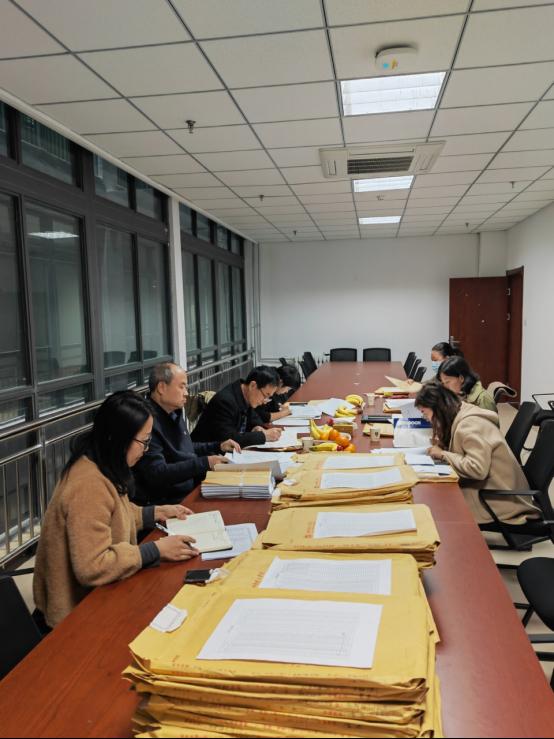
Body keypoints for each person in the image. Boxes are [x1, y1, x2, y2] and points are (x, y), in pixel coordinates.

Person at [33, 391, 200, 629]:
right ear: (119, 438)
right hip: (75, 614)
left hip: (99, 596)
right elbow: (93, 566)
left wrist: (153, 513)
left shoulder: (101, 463)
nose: (145, 450)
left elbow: (111, 513)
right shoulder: (88, 485)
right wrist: (155, 550)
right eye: (144, 441)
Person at [415, 383, 538, 526]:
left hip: (498, 498)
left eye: (425, 413)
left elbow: (477, 469)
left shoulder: (470, 426)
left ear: (439, 409)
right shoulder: (460, 411)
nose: (425, 418)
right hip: (492, 486)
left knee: (434, 508)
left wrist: (443, 454)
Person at [133, 363, 240, 506]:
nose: (186, 393)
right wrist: (205, 462)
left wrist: (218, 446)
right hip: (168, 502)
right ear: (161, 388)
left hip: (190, 488)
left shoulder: (173, 412)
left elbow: (185, 447)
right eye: (182, 387)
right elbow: (157, 473)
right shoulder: (147, 421)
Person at [191, 365, 283, 447]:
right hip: (204, 455)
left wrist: (257, 427)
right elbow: (229, 439)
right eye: (265, 395)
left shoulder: (245, 395)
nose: (265, 401)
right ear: (253, 386)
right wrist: (263, 436)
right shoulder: (225, 401)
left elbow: (254, 418)